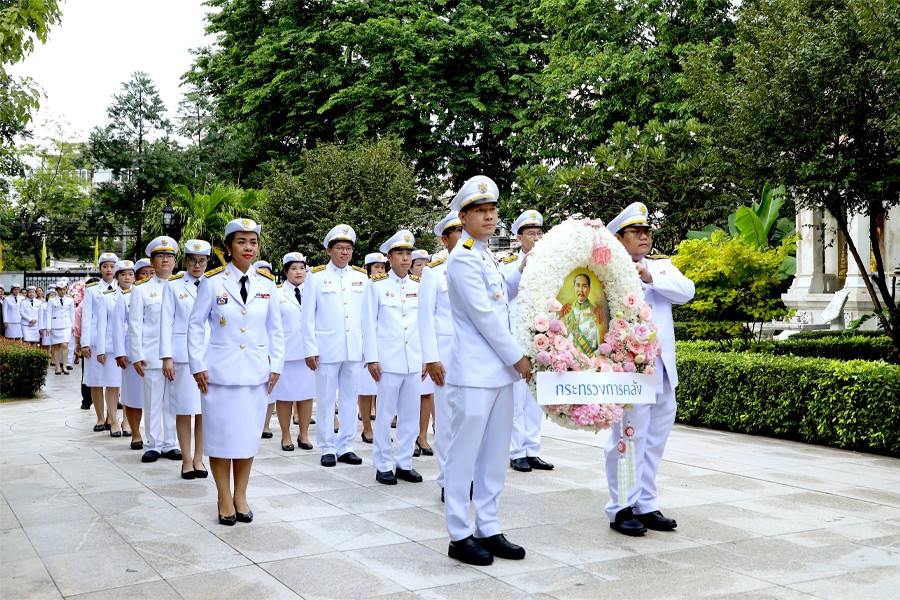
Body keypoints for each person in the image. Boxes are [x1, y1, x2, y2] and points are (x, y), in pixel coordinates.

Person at [443, 175, 532, 566]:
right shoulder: (462, 257)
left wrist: (525, 266)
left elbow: (502, 298)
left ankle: (489, 526)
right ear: (463, 217)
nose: (489, 216)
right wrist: (518, 358)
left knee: (495, 456)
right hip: (475, 373)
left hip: (498, 373)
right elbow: (484, 317)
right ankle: (459, 534)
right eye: (480, 211)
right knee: (464, 456)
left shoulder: (485, 254)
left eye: (493, 210)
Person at [604, 202, 695, 536]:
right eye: (636, 232)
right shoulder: (606, 271)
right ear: (618, 237)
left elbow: (687, 291)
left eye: (647, 231)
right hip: (630, 371)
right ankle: (621, 507)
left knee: (655, 439)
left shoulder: (661, 267)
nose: (644, 237)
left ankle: (645, 503)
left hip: (662, 370)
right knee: (629, 439)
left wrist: (649, 276)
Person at [188, 218, 284, 525]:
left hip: (256, 374)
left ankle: (241, 495)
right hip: (218, 375)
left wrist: (276, 364)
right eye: (241, 242)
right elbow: (195, 325)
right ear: (229, 247)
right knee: (220, 438)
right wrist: (197, 363)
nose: (248, 248)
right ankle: (223, 496)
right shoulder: (213, 282)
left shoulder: (266, 284)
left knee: (246, 438)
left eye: (253, 242)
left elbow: (276, 330)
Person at [301, 224, 367, 468]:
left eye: (348, 248)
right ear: (329, 250)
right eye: (340, 248)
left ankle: (346, 445)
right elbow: (307, 316)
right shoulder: (316, 276)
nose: (345, 252)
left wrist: (368, 349)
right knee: (327, 399)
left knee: (350, 398)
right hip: (326, 348)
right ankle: (327, 446)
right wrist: (310, 349)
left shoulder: (361, 277)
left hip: (354, 347)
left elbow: (366, 317)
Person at [363, 231, 423, 485]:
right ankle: (383, 464)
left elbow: (424, 325)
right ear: (389, 257)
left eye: (408, 253)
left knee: (410, 416)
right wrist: (372, 358)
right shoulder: (377, 286)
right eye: (400, 253)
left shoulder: (418, 286)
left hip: (414, 360)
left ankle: (405, 463)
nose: (405, 258)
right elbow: (368, 323)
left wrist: (426, 358)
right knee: (385, 415)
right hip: (387, 361)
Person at [500, 210, 555, 474]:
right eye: (530, 233)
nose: (536, 238)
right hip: (515, 338)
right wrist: (522, 267)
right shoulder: (507, 264)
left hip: (540, 338)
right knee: (516, 399)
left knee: (535, 397)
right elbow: (504, 295)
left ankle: (532, 449)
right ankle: (516, 451)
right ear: (519, 237)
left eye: (539, 233)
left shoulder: (550, 264)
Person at [419, 210, 463, 500]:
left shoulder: (485, 266)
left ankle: (468, 474)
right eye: (457, 231)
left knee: (472, 418)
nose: (464, 236)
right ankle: (448, 478)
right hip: (445, 356)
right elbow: (425, 318)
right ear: (445, 240)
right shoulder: (434, 273)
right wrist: (431, 358)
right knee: (446, 419)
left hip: (476, 356)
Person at [160, 240, 212, 479]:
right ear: (186, 261)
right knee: (184, 409)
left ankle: (199, 458)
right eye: (192, 261)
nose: (197, 265)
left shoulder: (214, 284)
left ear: (207, 261)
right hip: (182, 356)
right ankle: (187, 460)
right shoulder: (174, 285)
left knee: (203, 411)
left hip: (209, 354)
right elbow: (166, 322)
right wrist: (167, 357)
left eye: (201, 261)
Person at [128, 237, 180, 464]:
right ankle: (152, 444)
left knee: (174, 401)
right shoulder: (141, 289)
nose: (165, 260)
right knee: (152, 401)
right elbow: (135, 325)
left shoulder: (183, 287)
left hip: (178, 355)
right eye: (160, 256)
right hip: (152, 354)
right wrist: (137, 355)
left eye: (169, 256)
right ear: (152, 261)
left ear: (175, 260)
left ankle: (171, 443)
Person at [273, 252, 316, 452]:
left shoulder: (313, 291)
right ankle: (286, 434)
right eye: (294, 268)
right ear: (285, 271)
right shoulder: (277, 293)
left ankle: (304, 434)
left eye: (302, 268)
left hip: (308, 353)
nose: (298, 272)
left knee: (306, 395)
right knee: (284, 397)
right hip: (286, 353)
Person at [115, 259, 153, 450]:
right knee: (133, 397)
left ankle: (157, 437)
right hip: (132, 353)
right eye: (144, 273)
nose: (149, 277)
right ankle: (136, 433)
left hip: (156, 352)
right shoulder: (126, 297)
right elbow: (117, 326)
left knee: (156, 399)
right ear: (137, 277)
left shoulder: (165, 292)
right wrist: (120, 353)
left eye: (152, 273)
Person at [95, 260, 136, 437]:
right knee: (112, 385)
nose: (127, 278)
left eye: (130, 274)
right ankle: (113, 421)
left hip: (132, 347)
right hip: (112, 348)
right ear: (117, 277)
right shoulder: (107, 297)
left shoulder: (138, 295)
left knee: (128, 387)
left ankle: (127, 421)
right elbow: (101, 325)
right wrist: (100, 350)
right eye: (123, 274)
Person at [81, 253, 120, 431]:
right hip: (95, 341)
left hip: (114, 341)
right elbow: (86, 317)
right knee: (95, 380)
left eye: (112, 266)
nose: (109, 270)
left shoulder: (122, 287)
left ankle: (112, 417)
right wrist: (84, 343)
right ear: (100, 269)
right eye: (105, 266)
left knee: (113, 380)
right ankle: (99, 417)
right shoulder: (92, 290)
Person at [358, 252, 387, 444]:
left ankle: (382, 429)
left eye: (383, 267)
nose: (380, 270)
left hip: (384, 345)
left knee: (382, 390)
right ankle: (367, 428)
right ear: (367, 269)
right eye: (376, 267)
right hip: (364, 345)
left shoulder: (386, 287)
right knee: (366, 389)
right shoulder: (361, 287)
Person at [253, 259, 278, 439]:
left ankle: (266, 424)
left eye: (267, 272)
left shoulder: (271, 289)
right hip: (254, 348)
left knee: (270, 392)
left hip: (269, 347)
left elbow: (275, 326)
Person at [560, 273, 607, 356]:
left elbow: (602, 342)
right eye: (578, 285)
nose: (580, 290)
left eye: (584, 286)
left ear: (589, 289)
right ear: (574, 288)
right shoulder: (567, 311)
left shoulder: (597, 312)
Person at [48, 282, 75, 375]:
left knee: (65, 345)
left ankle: (64, 365)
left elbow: (72, 313)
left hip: (66, 325)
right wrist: (48, 326)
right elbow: (49, 313)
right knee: (56, 346)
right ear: (57, 290)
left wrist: (73, 326)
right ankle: (57, 367)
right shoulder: (51, 300)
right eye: (60, 290)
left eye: (64, 289)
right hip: (55, 325)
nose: (62, 291)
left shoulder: (70, 300)